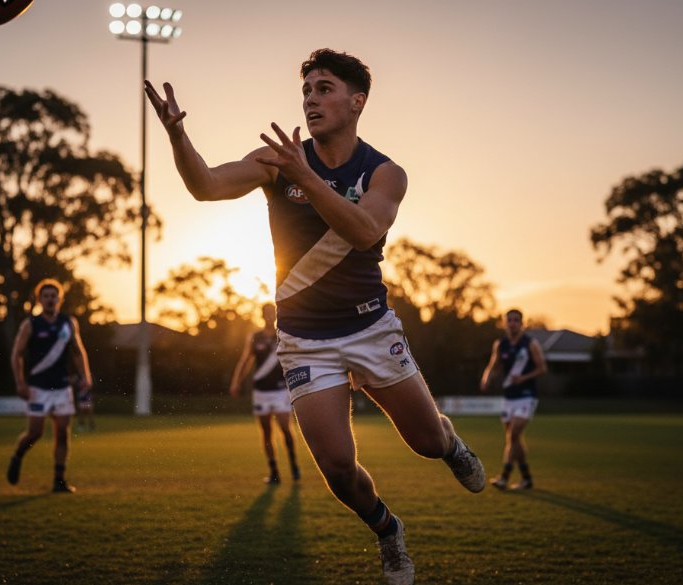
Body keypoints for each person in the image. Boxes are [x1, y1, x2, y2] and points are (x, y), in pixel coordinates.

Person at [146, 48, 486, 585]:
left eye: (324, 89)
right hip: (305, 339)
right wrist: (177, 137)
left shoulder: (385, 172)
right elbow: (206, 186)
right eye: (306, 90)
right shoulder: (277, 161)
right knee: (337, 467)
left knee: (426, 443)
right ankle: (387, 530)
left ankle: (452, 445)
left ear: (357, 101)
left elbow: (364, 232)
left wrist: (306, 176)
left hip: (371, 328)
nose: (310, 100)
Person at [6, 278, 93, 493]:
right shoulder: (30, 324)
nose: (50, 299)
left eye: (53, 296)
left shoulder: (68, 323)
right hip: (38, 388)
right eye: (45, 296)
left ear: (59, 299)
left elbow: (78, 351)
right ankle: (18, 456)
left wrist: (85, 376)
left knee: (62, 432)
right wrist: (20, 382)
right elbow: (16, 354)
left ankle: (59, 480)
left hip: (62, 387)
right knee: (35, 433)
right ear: (39, 300)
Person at [229, 302, 302, 484]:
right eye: (266, 313)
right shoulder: (255, 337)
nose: (269, 316)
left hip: (280, 390)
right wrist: (236, 382)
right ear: (261, 315)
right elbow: (245, 361)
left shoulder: (282, 336)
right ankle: (274, 472)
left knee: (285, 428)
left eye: (272, 313)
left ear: (276, 315)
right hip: (261, 391)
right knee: (266, 432)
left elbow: (294, 359)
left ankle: (294, 465)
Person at [480, 309, 547, 491]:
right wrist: (486, 378)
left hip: (527, 396)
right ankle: (526, 478)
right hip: (509, 397)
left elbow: (542, 368)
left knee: (514, 435)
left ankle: (504, 476)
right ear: (505, 323)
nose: (512, 323)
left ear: (522, 323)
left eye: (516, 320)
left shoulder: (530, 344)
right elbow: (493, 365)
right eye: (509, 320)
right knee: (515, 439)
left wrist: (523, 378)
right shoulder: (500, 344)